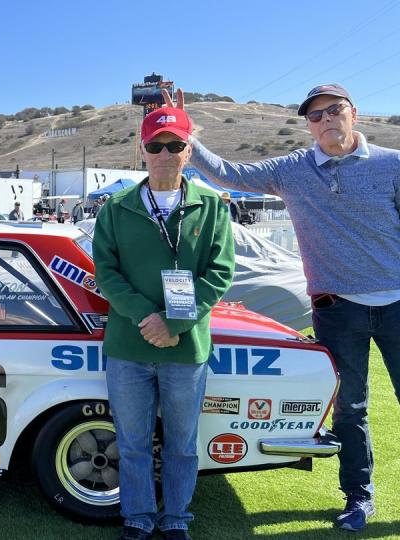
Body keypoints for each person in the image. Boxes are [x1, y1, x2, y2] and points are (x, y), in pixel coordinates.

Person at [177, 83, 400, 532]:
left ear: (353, 112)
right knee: (349, 408)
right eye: (315, 116)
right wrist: (185, 132)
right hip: (337, 309)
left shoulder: (392, 164)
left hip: (397, 302)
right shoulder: (293, 169)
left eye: (333, 111)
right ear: (308, 125)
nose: (325, 121)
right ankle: (358, 498)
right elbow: (227, 173)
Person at [93, 106, 235, 540]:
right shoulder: (116, 208)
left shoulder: (211, 206)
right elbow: (106, 272)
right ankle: (137, 518)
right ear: (142, 151)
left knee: (182, 443)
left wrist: (174, 323)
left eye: (175, 145)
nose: (164, 153)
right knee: (132, 443)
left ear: (189, 151)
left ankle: (175, 518)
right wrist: (147, 317)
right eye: (155, 146)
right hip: (129, 346)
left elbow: (220, 271)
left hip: (186, 346)